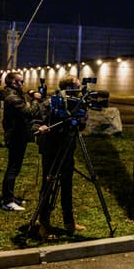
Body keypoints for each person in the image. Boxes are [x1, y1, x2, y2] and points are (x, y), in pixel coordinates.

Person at [33, 75, 87, 239]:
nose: (80, 90)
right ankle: (44, 224)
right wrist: (40, 127)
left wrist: (81, 117)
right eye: (78, 86)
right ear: (69, 87)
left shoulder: (77, 103)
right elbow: (36, 120)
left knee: (67, 186)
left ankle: (69, 223)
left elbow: (80, 125)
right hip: (52, 149)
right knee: (48, 187)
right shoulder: (51, 102)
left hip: (68, 148)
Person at [1, 72, 43, 211]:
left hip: (18, 134)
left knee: (15, 167)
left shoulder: (14, 93)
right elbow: (29, 112)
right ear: (14, 82)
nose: (23, 84)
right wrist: (35, 100)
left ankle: (9, 197)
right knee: (13, 168)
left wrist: (30, 94)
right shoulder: (13, 97)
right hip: (16, 135)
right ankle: (7, 201)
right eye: (21, 81)